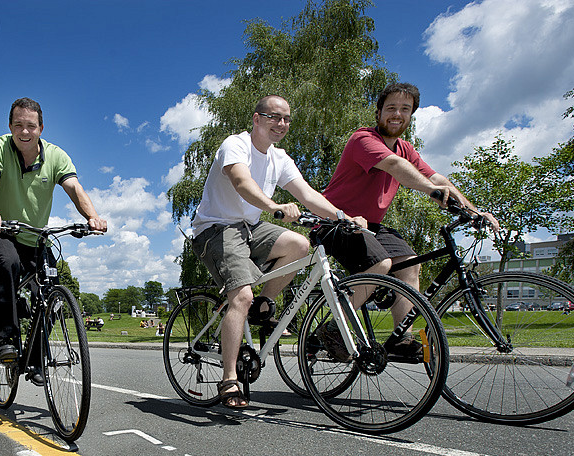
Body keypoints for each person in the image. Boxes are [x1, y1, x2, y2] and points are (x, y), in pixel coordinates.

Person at [190, 94, 366, 409]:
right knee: (239, 297)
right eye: (274, 117)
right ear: (256, 119)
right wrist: (273, 206)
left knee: (300, 244)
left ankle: (264, 304)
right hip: (216, 228)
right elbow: (242, 182)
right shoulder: (236, 145)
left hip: (250, 227)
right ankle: (229, 379)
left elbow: (307, 194)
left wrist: (342, 217)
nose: (281, 124)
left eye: (286, 119)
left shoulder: (280, 158)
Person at [321, 82, 499, 357]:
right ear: (379, 112)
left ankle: (399, 339)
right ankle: (334, 328)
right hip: (337, 221)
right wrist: (432, 191)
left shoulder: (406, 148)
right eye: (391, 108)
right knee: (380, 263)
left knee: (408, 264)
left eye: (405, 109)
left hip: (371, 225)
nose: (397, 114)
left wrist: (473, 212)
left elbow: (437, 178)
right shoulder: (363, 139)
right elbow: (395, 166)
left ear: (411, 115)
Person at [0, 97, 108, 386]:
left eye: (31, 126)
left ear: (41, 128)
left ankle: (36, 357)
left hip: (35, 238)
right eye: (18, 125)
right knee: (7, 263)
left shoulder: (56, 156)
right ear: (10, 126)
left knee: (53, 296)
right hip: (0, 231)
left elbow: (74, 187)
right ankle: (6, 340)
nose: (25, 132)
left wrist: (93, 217)